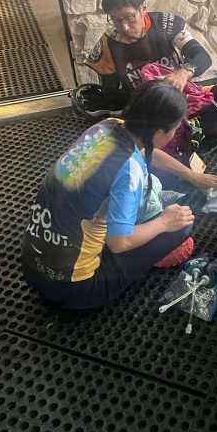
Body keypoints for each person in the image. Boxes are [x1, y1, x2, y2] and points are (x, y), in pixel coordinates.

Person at [22, 81, 200, 310]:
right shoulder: (130, 169)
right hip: (77, 288)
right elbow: (119, 243)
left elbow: (145, 152)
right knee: (180, 226)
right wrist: (165, 222)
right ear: (158, 132)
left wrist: (192, 176)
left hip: (32, 267)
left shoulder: (105, 127)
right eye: (175, 127)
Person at [85, 0, 217, 140]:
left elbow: (202, 57)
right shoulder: (110, 41)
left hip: (180, 96)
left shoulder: (167, 25)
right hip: (146, 109)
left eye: (130, 18)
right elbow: (110, 90)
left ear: (143, 9)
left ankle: (193, 130)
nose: (124, 28)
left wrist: (184, 73)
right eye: (116, 20)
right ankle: (186, 133)